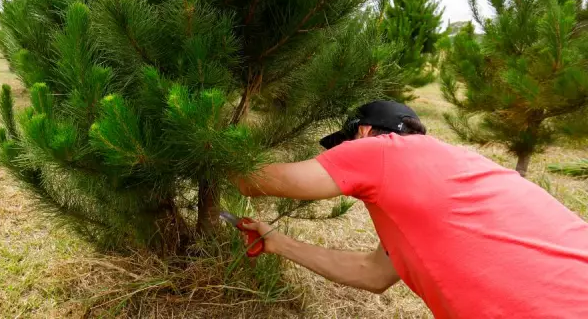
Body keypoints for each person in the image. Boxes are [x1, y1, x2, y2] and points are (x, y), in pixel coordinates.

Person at [230, 100, 588, 318]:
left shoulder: (382, 149)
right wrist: (279, 242)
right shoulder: (452, 165)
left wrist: (212, 140)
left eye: (342, 146)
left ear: (365, 131)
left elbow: (256, 181)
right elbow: (372, 274)